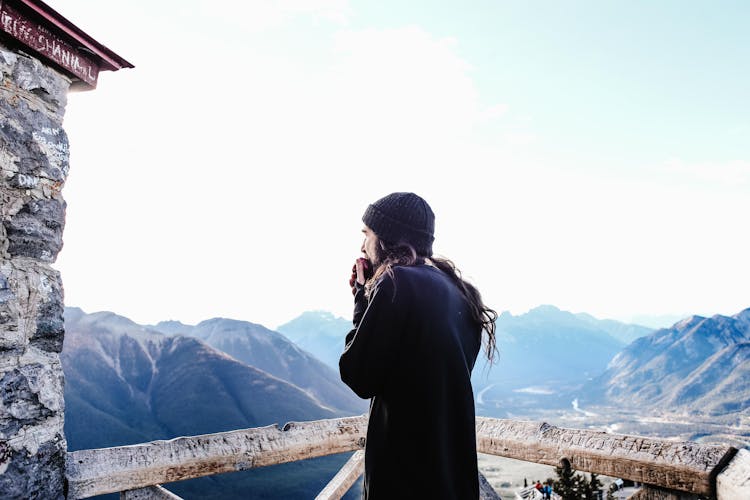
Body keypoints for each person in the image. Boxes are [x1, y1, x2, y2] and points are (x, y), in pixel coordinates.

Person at [339, 192, 497, 499]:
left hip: (403, 478)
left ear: (385, 237)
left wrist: (361, 301)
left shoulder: (396, 283)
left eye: (366, 234)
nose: (362, 246)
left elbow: (358, 375)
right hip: (451, 477)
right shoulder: (462, 293)